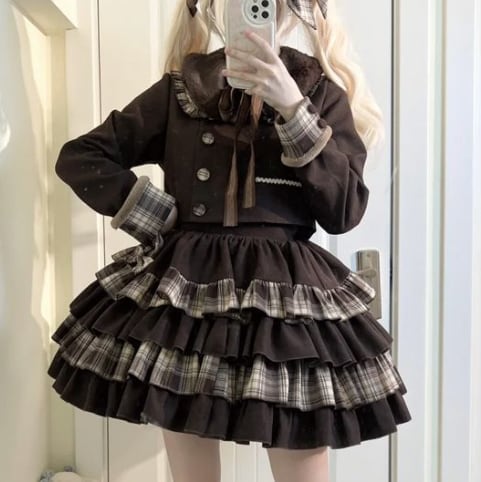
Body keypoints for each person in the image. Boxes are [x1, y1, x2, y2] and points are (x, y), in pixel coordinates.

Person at [47, 0, 412, 481]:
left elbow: (344, 211)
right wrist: (153, 215)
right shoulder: (183, 91)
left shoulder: (320, 94)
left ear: (291, 11)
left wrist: (293, 107)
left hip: (287, 304)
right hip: (186, 299)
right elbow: (82, 157)